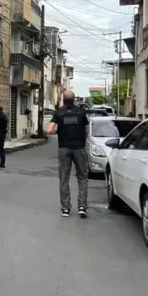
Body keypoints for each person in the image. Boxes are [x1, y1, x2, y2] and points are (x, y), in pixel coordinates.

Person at [47, 90, 90, 218]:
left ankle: (66, 208)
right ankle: (82, 206)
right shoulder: (81, 112)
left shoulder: (59, 112)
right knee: (82, 177)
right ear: (74, 99)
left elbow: (49, 130)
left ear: (63, 99)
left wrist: (58, 132)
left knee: (64, 178)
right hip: (79, 148)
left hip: (64, 148)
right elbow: (87, 130)